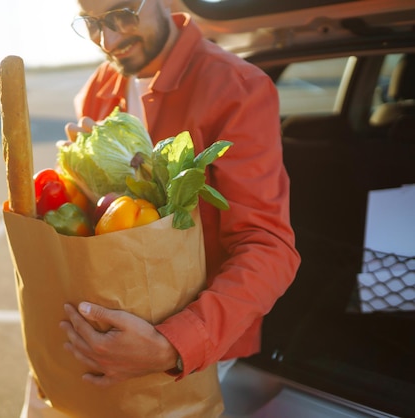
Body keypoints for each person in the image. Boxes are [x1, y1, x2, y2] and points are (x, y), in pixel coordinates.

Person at [20, 0, 301, 415]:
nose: (108, 40)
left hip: (195, 350)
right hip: (100, 338)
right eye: (92, 23)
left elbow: (268, 247)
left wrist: (172, 345)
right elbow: (100, 225)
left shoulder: (236, 87)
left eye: (122, 14)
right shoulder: (98, 91)